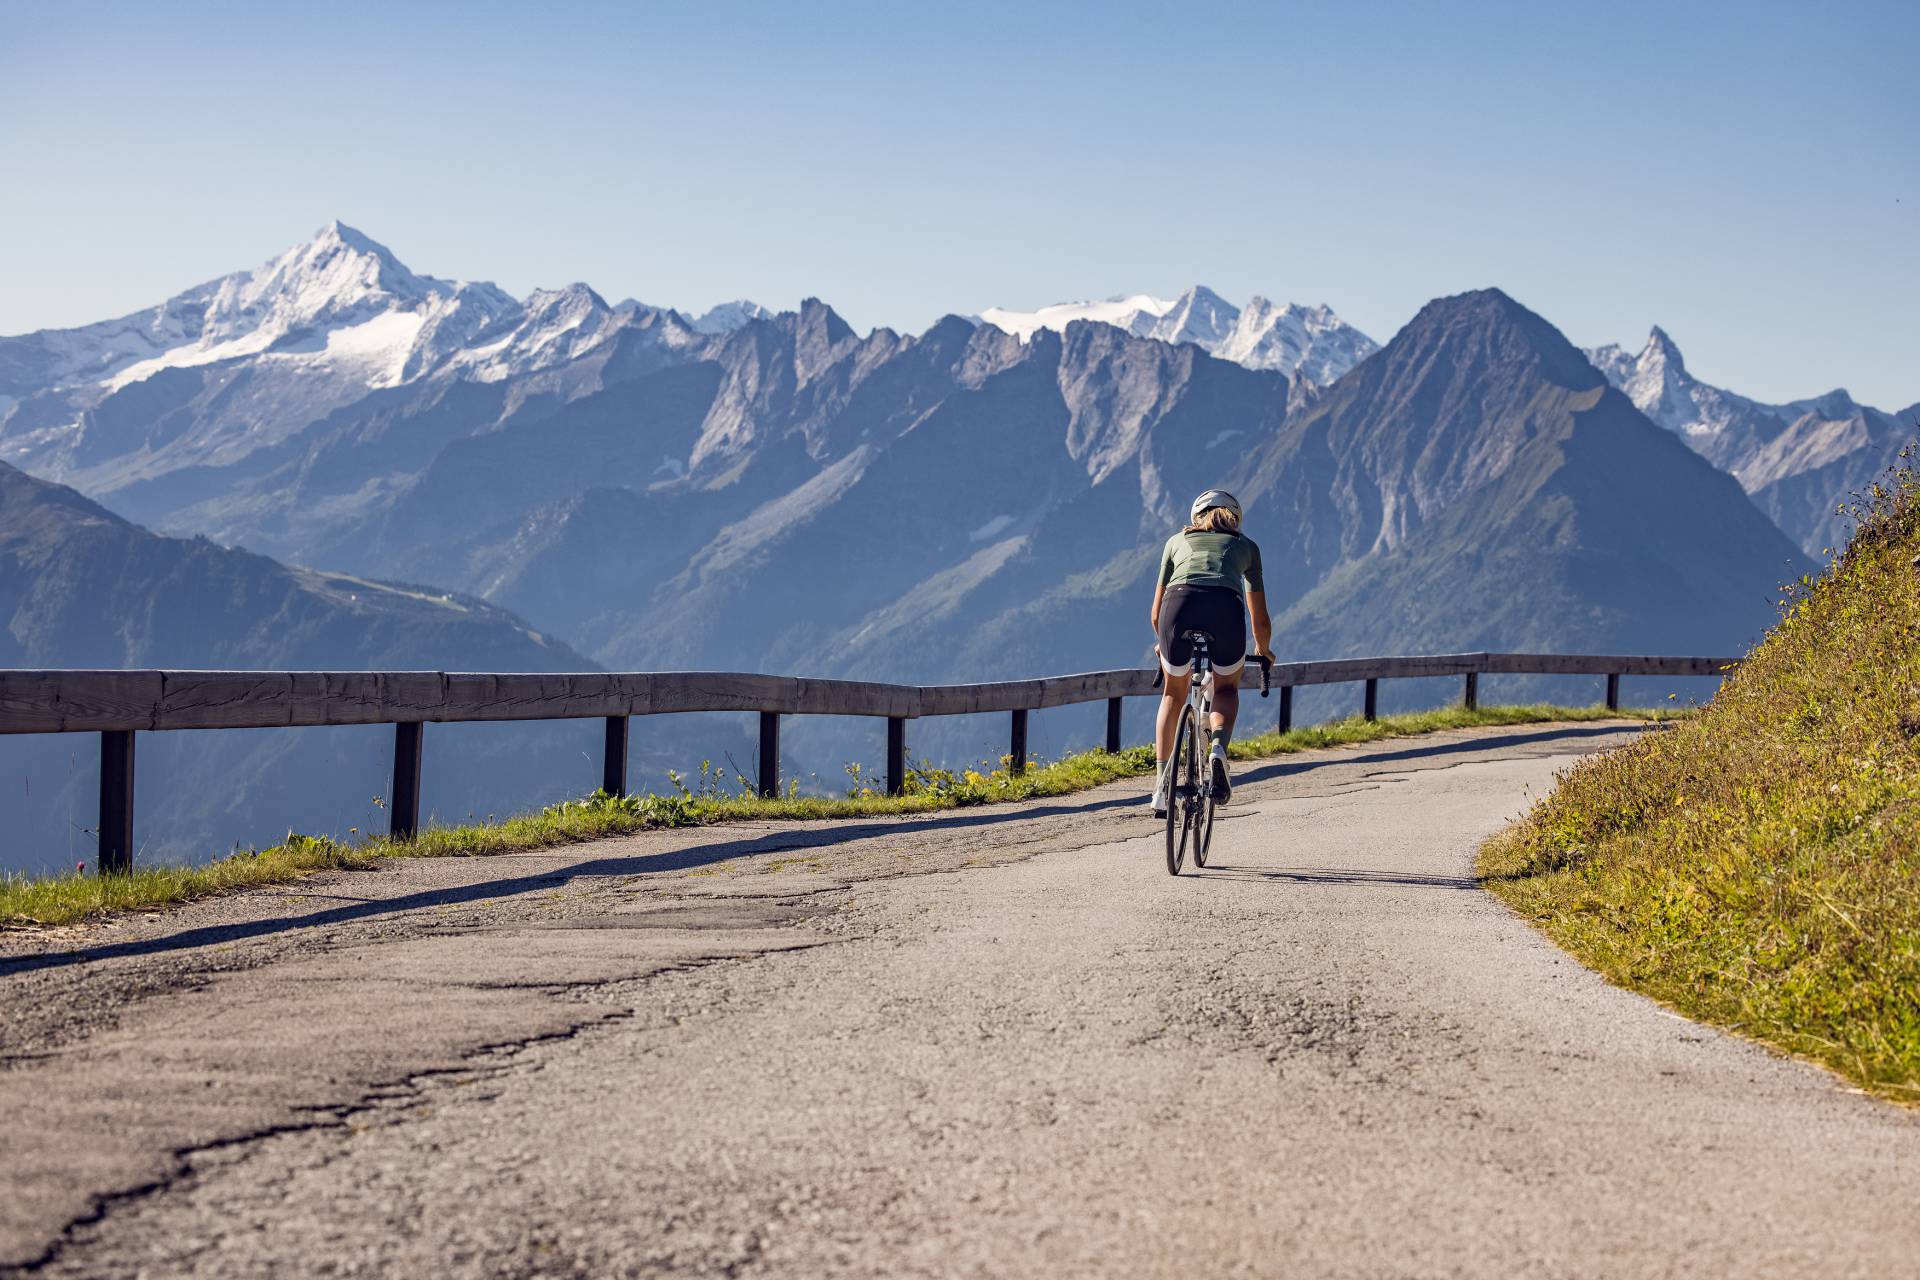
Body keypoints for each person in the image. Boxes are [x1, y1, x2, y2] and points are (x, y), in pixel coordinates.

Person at [1150, 489, 1273, 816]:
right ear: (1236, 519)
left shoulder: (1176, 541)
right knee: (1226, 688)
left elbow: (1155, 614)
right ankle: (1217, 749)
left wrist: (1163, 641)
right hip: (1225, 609)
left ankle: (1162, 785)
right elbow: (1260, 619)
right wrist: (1263, 649)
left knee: (1172, 693)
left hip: (1177, 606)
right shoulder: (1247, 546)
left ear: (1196, 517)